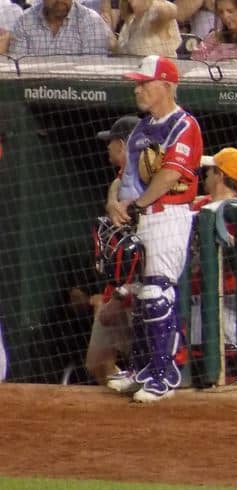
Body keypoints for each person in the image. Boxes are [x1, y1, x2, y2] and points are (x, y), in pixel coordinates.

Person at [106, 55, 203, 403]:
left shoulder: (184, 125)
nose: (138, 89)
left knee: (157, 292)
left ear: (165, 85)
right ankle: (141, 368)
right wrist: (115, 203)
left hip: (170, 216)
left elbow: (172, 174)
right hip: (143, 217)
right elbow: (125, 178)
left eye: (144, 83)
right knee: (137, 294)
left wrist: (140, 203)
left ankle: (165, 374)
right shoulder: (140, 129)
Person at [85, 115, 141, 386]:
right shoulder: (123, 180)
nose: (107, 148)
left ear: (122, 144)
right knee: (97, 362)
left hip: (138, 288)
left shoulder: (146, 181)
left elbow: (143, 249)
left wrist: (121, 297)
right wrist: (110, 200)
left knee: (148, 360)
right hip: (119, 285)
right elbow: (117, 187)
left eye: (111, 143)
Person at [188, 146, 237, 362]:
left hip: (225, 298)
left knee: (227, 362)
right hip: (195, 298)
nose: (205, 174)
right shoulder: (203, 203)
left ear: (220, 175)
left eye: (210, 170)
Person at [8, 0, 113, 56]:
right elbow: (18, 69)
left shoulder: (91, 22)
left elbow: (93, 75)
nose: (60, 1)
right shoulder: (24, 22)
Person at [111, 0, 180, 58]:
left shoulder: (157, 11)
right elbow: (121, 51)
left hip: (161, 70)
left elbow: (169, 9)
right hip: (132, 70)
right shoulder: (128, 24)